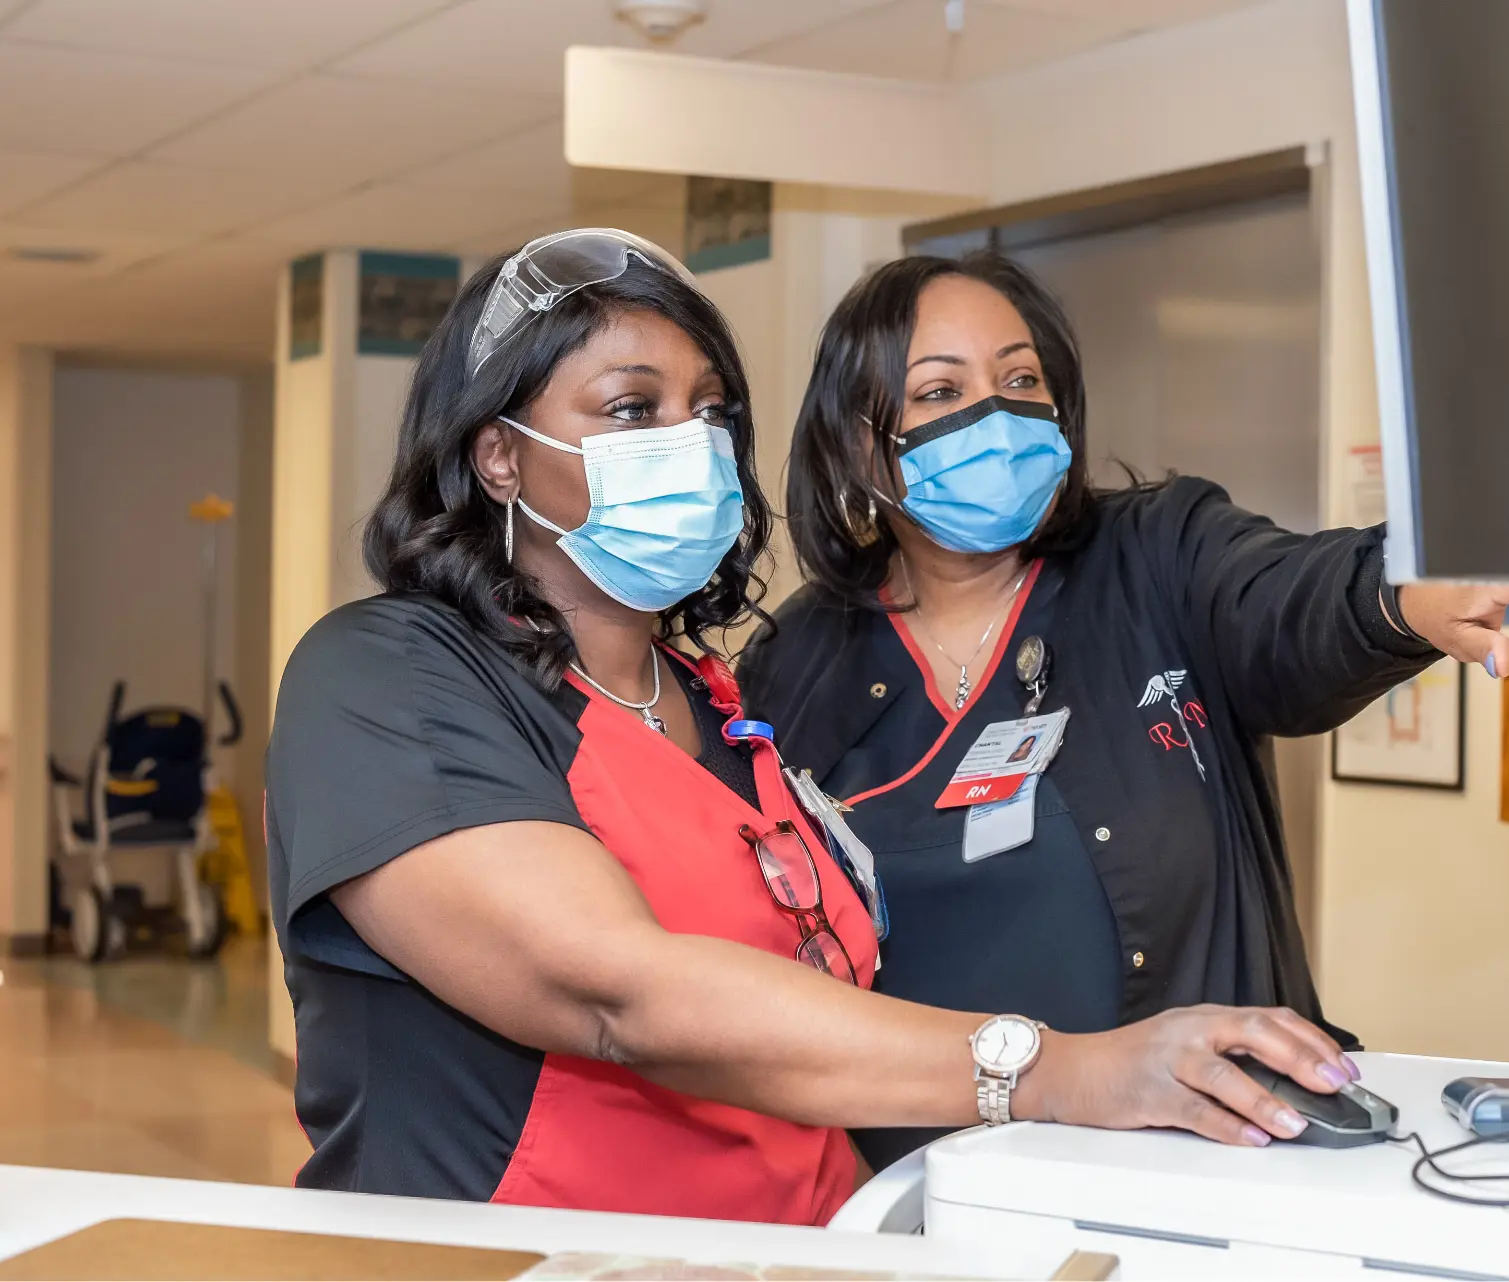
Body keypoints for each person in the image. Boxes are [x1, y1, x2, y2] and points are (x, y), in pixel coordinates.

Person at [265, 230, 1364, 1228]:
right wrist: (1045, 1067)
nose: (689, 443)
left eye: (709, 412)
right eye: (632, 408)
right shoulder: (388, 677)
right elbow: (616, 992)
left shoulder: (725, 710)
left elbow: (812, 1017)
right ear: (500, 456)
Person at [738, 252, 1509, 1168]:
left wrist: (1400, 591)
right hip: (919, 1190)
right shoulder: (800, 662)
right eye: (940, 393)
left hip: (1204, 1166)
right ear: (862, 443)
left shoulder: (1157, 556)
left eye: (1020, 378)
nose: (995, 413)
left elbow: (1287, 605)